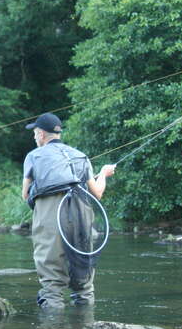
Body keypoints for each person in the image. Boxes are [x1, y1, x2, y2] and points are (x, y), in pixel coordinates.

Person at [22, 113, 115, 309]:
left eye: (35, 133)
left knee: (52, 280)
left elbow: (25, 195)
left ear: (41, 134)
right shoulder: (81, 155)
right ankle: (85, 328)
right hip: (81, 214)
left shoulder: (33, 156)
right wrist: (104, 174)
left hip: (50, 214)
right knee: (83, 282)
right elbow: (97, 192)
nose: (34, 137)